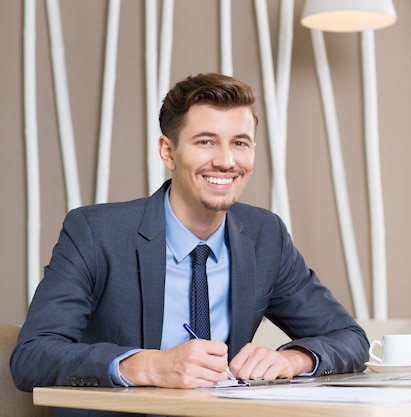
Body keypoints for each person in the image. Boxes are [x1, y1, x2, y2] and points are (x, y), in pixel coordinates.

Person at [11, 73, 368, 406]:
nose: (226, 161)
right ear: (168, 151)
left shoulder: (265, 235)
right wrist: (147, 366)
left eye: (239, 143)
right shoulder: (95, 231)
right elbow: (32, 356)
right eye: (206, 142)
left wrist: (293, 358)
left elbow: (350, 338)